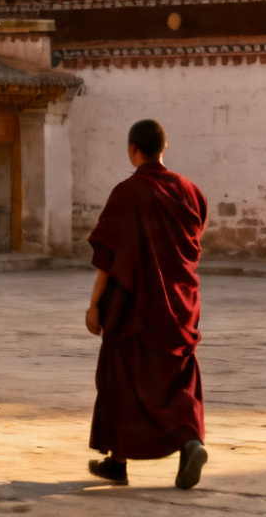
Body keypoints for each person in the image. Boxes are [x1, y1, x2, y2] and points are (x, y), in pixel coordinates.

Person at [85, 119, 209, 489]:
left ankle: (123, 459)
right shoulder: (191, 192)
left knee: (122, 380)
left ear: (132, 149)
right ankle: (183, 443)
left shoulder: (127, 192)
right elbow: (190, 242)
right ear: (164, 148)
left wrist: (94, 306)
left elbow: (109, 257)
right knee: (176, 379)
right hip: (180, 305)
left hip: (135, 305)